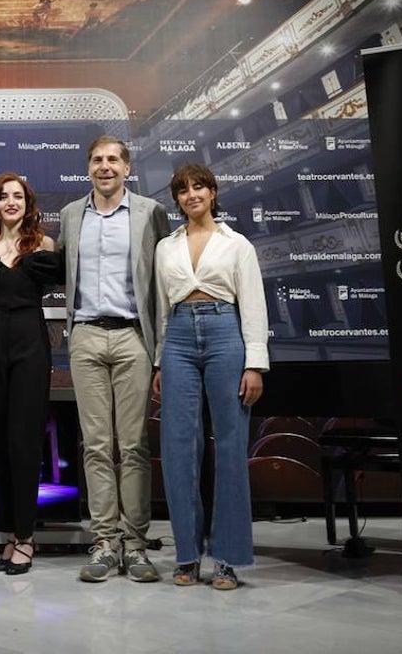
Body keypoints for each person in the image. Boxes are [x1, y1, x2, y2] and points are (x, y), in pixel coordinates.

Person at [58, 135, 169, 583]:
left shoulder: (150, 213)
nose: (105, 167)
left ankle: (136, 545)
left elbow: (164, 280)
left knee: (135, 446)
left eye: (112, 160)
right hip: (85, 336)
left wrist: (161, 350)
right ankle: (104, 542)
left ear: (127, 168)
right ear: (89, 168)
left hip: (133, 339)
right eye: (97, 160)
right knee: (98, 446)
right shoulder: (70, 215)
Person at [152, 162, 267, 590]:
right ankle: (186, 555)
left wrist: (254, 363)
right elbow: (163, 309)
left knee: (232, 444)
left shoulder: (237, 244)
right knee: (179, 446)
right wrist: (162, 360)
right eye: (182, 190)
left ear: (213, 193)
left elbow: (253, 305)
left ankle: (227, 558)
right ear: (177, 199)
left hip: (225, 333)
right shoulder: (167, 246)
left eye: (199, 187)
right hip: (179, 336)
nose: (191, 195)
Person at [0, 173, 62, 575]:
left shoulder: (44, 245)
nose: (11, 202)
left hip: (30, 345)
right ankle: (10, 534)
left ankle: (26, 537)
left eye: (18, 195)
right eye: (3, 196)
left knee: (24, 440)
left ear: (28, 203)